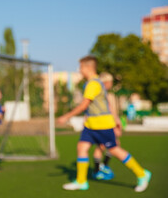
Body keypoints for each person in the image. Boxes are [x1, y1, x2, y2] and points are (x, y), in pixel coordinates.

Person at [57, 56, 151, 192]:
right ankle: (81, 181)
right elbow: (105, 103)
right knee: (82, 148)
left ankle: (142, 174)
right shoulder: (94, 83)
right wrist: (116, 119)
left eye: (81, 67)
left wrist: (66, 116)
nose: (79, 70)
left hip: (102, 125)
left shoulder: (93, 84)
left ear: (88, 68)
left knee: (115, 150)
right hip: (90, 125)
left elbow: (84, 105)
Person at [92, 72, 122, 180]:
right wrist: (116, 123)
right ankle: (101, 168)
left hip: (103, 124)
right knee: (109, 146)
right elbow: (110, 110)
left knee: (104, 146)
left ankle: (100, 168)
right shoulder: (104, 95)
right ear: (107, 82)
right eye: (111, 82)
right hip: (105, 125)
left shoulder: (101, 94)